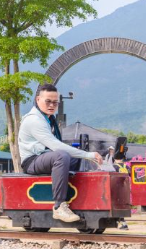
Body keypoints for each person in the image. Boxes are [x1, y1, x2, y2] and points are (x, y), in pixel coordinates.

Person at [18, 83, 102, 223]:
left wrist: (83, 156)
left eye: (55, 102)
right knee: (62, 156)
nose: (52, 105)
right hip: (31, 161)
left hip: (45, 157)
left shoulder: (47, 118)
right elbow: (55, 146)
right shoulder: (34, 120)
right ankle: (59, 206)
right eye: (48, 101)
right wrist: (89, 155)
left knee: (75, 158)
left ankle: (80, 198)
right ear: (38, 100)